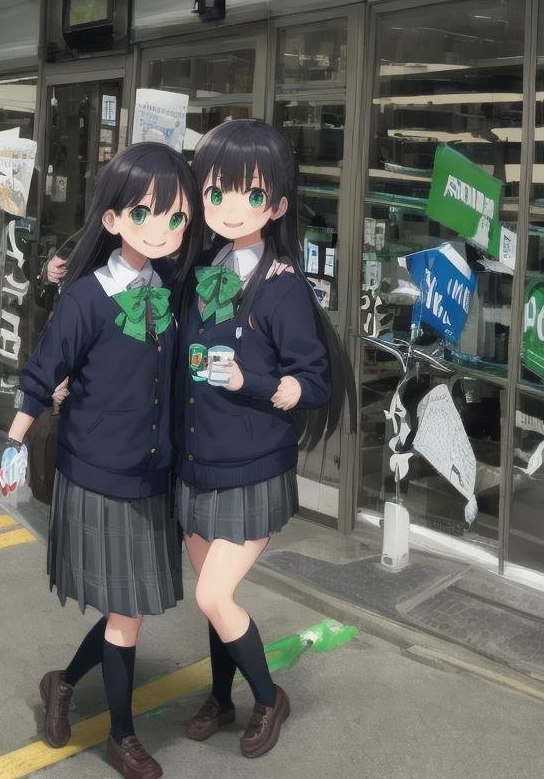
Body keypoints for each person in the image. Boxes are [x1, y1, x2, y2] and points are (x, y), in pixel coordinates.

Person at [0, 143, 200, 779]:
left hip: (150, 473)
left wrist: (272, 270)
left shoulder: (167, 289)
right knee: (126, 612)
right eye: (148, 212)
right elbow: (44, 370)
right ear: (111, 221)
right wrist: (14, 441)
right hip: (97, 471)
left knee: (127, 608)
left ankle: (62, 682)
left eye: (176, 214)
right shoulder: (87, 297)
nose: (165, 227)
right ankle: (121, 735)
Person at [175, 118, 352, 759]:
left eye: (248, 196)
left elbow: (314, 383)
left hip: (252, 467)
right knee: (214, 604)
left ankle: (267, 698)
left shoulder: (283, 288)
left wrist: (251, 382)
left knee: (213, 593)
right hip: (198, 461)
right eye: (215, 192)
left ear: (275, 206)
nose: (227, 209)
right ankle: (221, 699)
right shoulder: (202, 270)